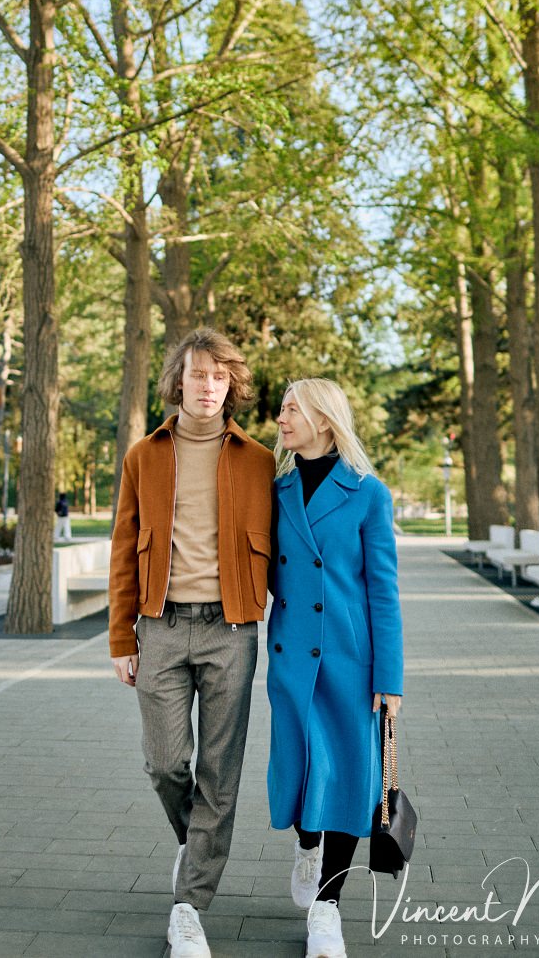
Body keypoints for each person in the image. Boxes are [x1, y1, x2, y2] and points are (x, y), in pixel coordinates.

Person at [109, 328, 276, 958]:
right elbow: (123, 549)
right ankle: (196, 841)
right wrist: (120, 637)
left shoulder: (259, 460)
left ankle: (189, 905)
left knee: (219, 771)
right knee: (164, 763)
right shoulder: (144, 455)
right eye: (198, 374)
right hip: (160, 628)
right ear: (177, 381)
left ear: (232, 386)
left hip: (232, 632)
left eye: (219, 376)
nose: (208, 386)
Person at [267, 378, 404, 958]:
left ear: (324, 419)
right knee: (301, 770)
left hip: (352, 660)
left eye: (291, 409)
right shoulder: (276, 490)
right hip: (292, 657)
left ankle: (328, 907)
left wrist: (389, 678)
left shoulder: (368, 493)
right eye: (281, 409)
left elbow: (383, 591)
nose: (280, 418)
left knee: (349, 777)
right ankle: (306, 844)